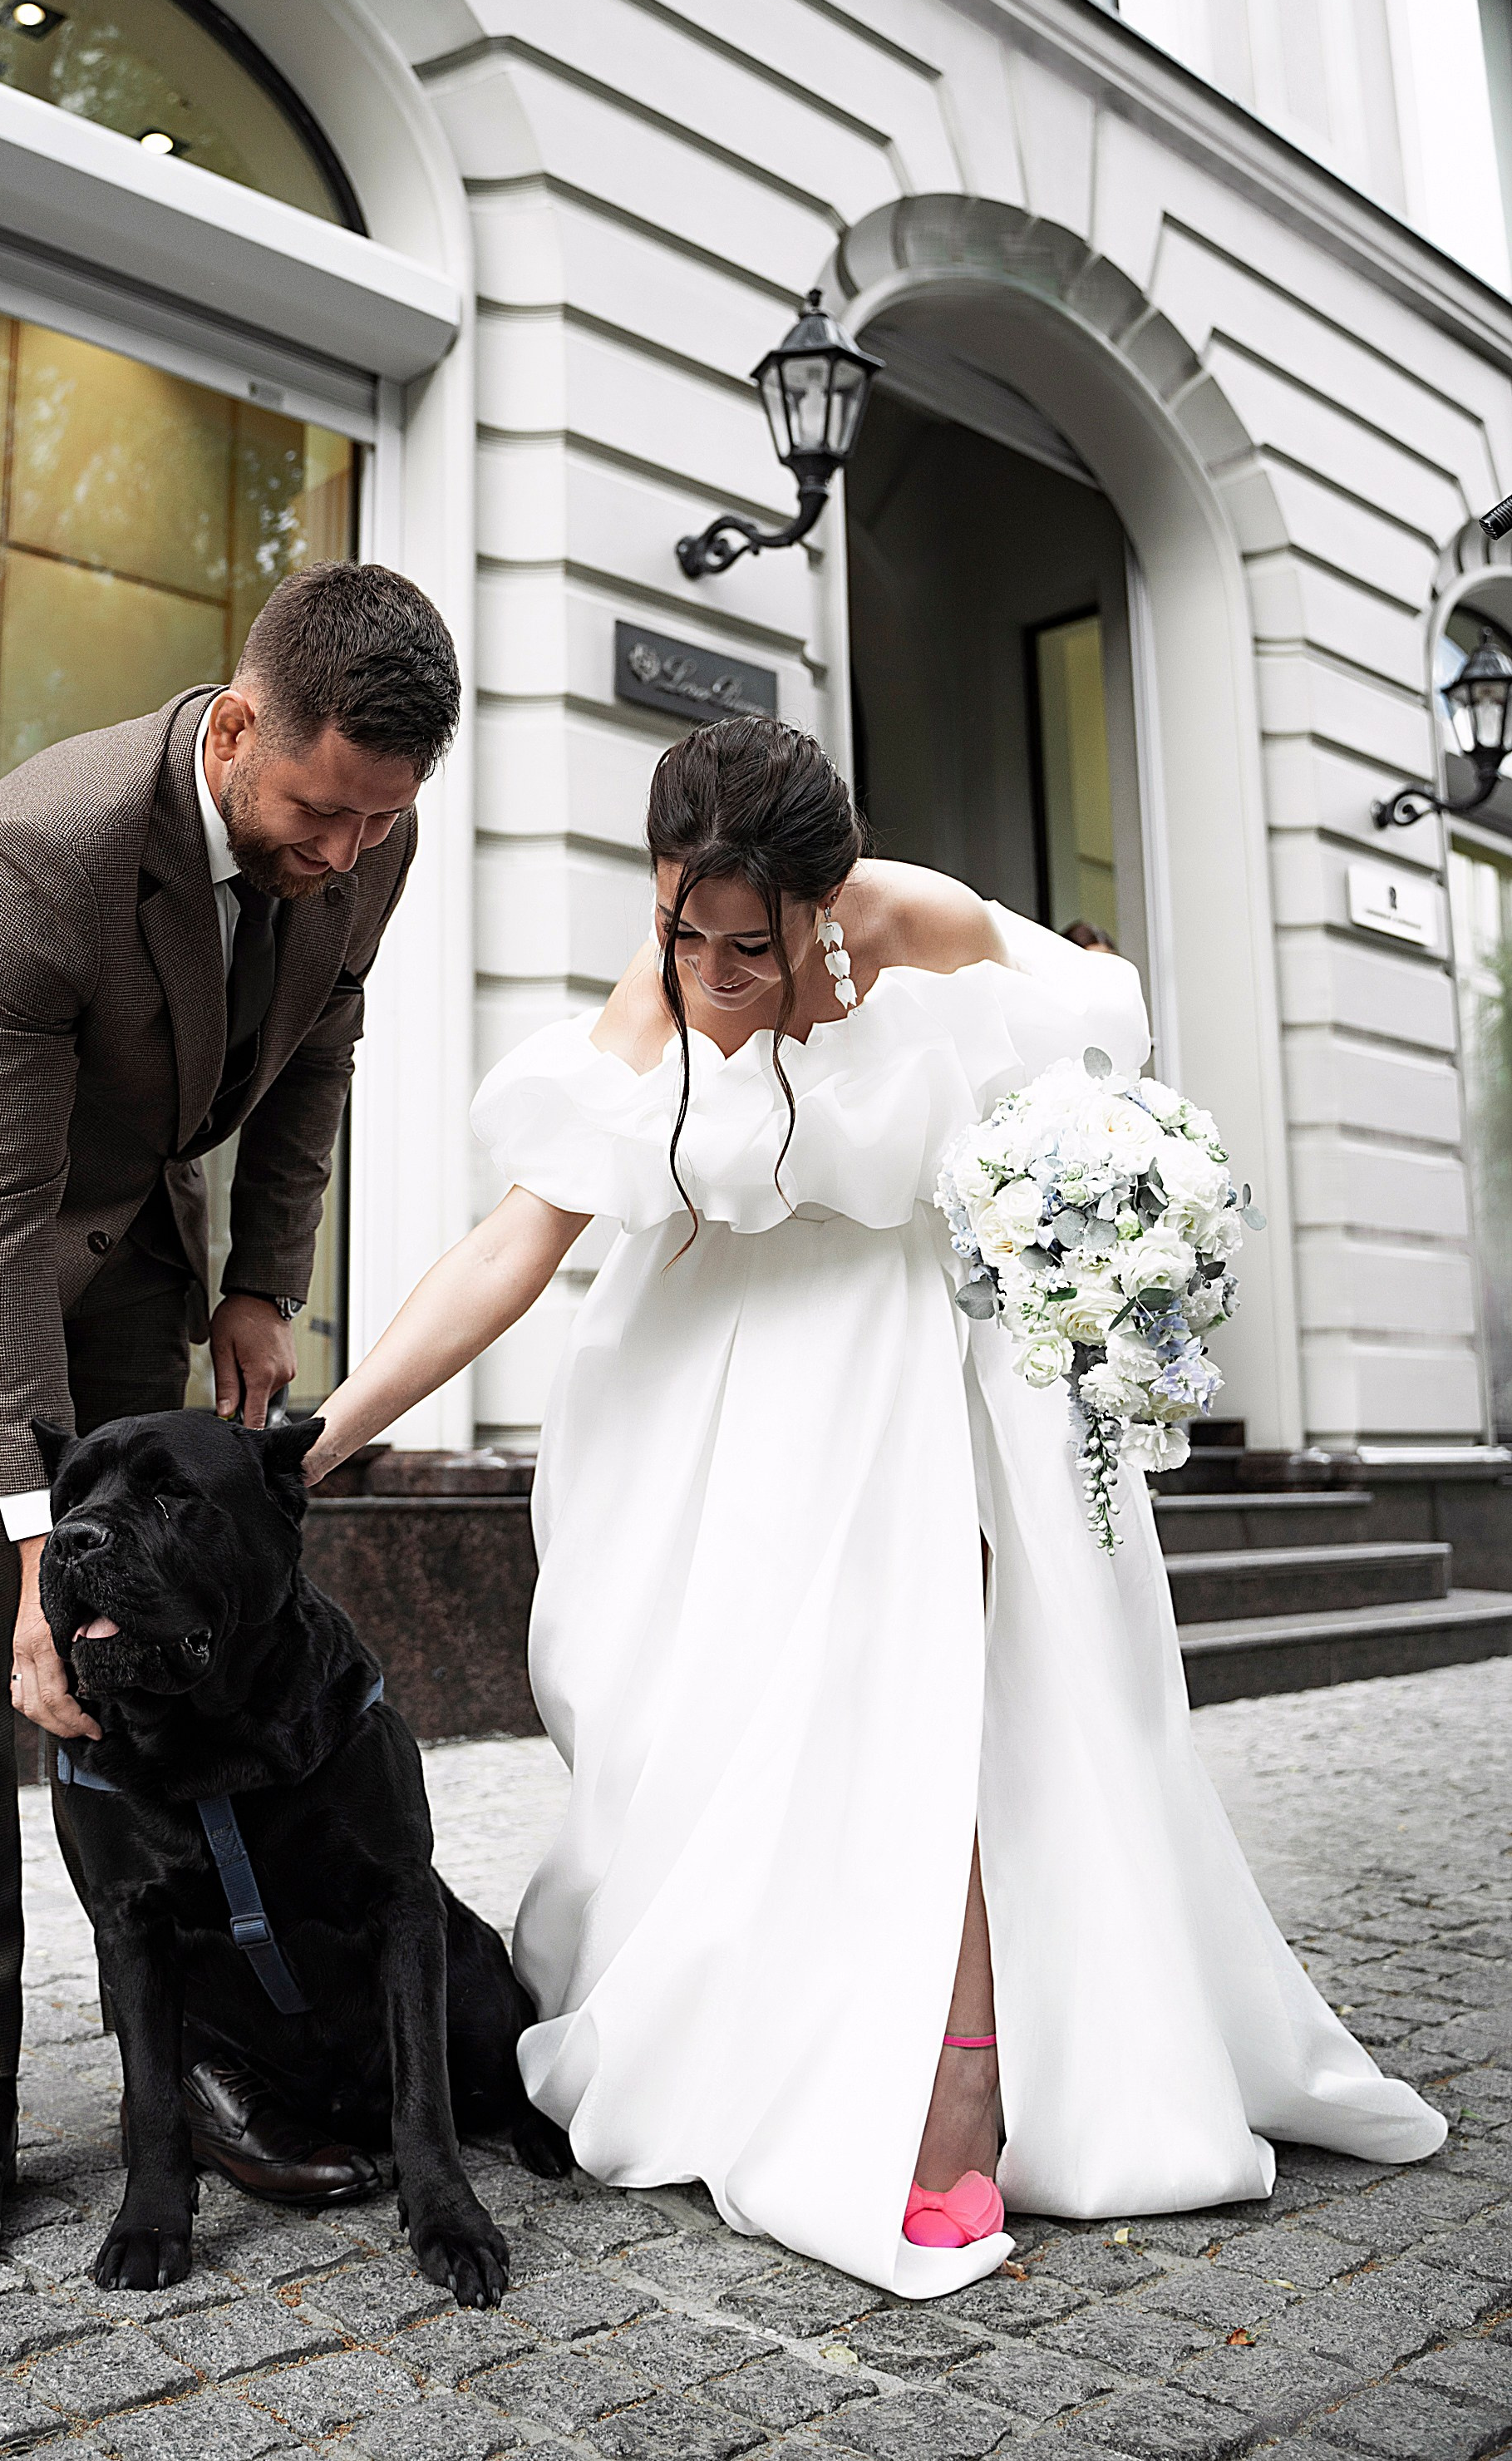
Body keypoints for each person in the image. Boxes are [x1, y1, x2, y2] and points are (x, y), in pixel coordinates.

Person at [303, 716, 1445, 2301]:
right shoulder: (658, 993)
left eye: (747, 944)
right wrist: (332, 1430)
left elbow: (1095, 1080)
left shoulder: (928, 929)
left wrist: (1099, 1240)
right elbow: (511, 1245)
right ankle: (741, 2023)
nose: (711, 967)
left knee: (932, 1702)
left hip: (911, 1372)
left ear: (823, 905)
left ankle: (955, 2073)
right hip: (695, 1398)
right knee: (700, 1720)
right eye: (681, 928)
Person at [0, 561, 460, 2276]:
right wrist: (28, 1540)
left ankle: (202, 2030)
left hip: (137, 1226)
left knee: (150, 1616)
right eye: (318, 814)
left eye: (378, 825)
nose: (345, 856)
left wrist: (262, 1286)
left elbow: (316, 1052)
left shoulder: (369, 830)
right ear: (236, 731)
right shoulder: (38, 851)